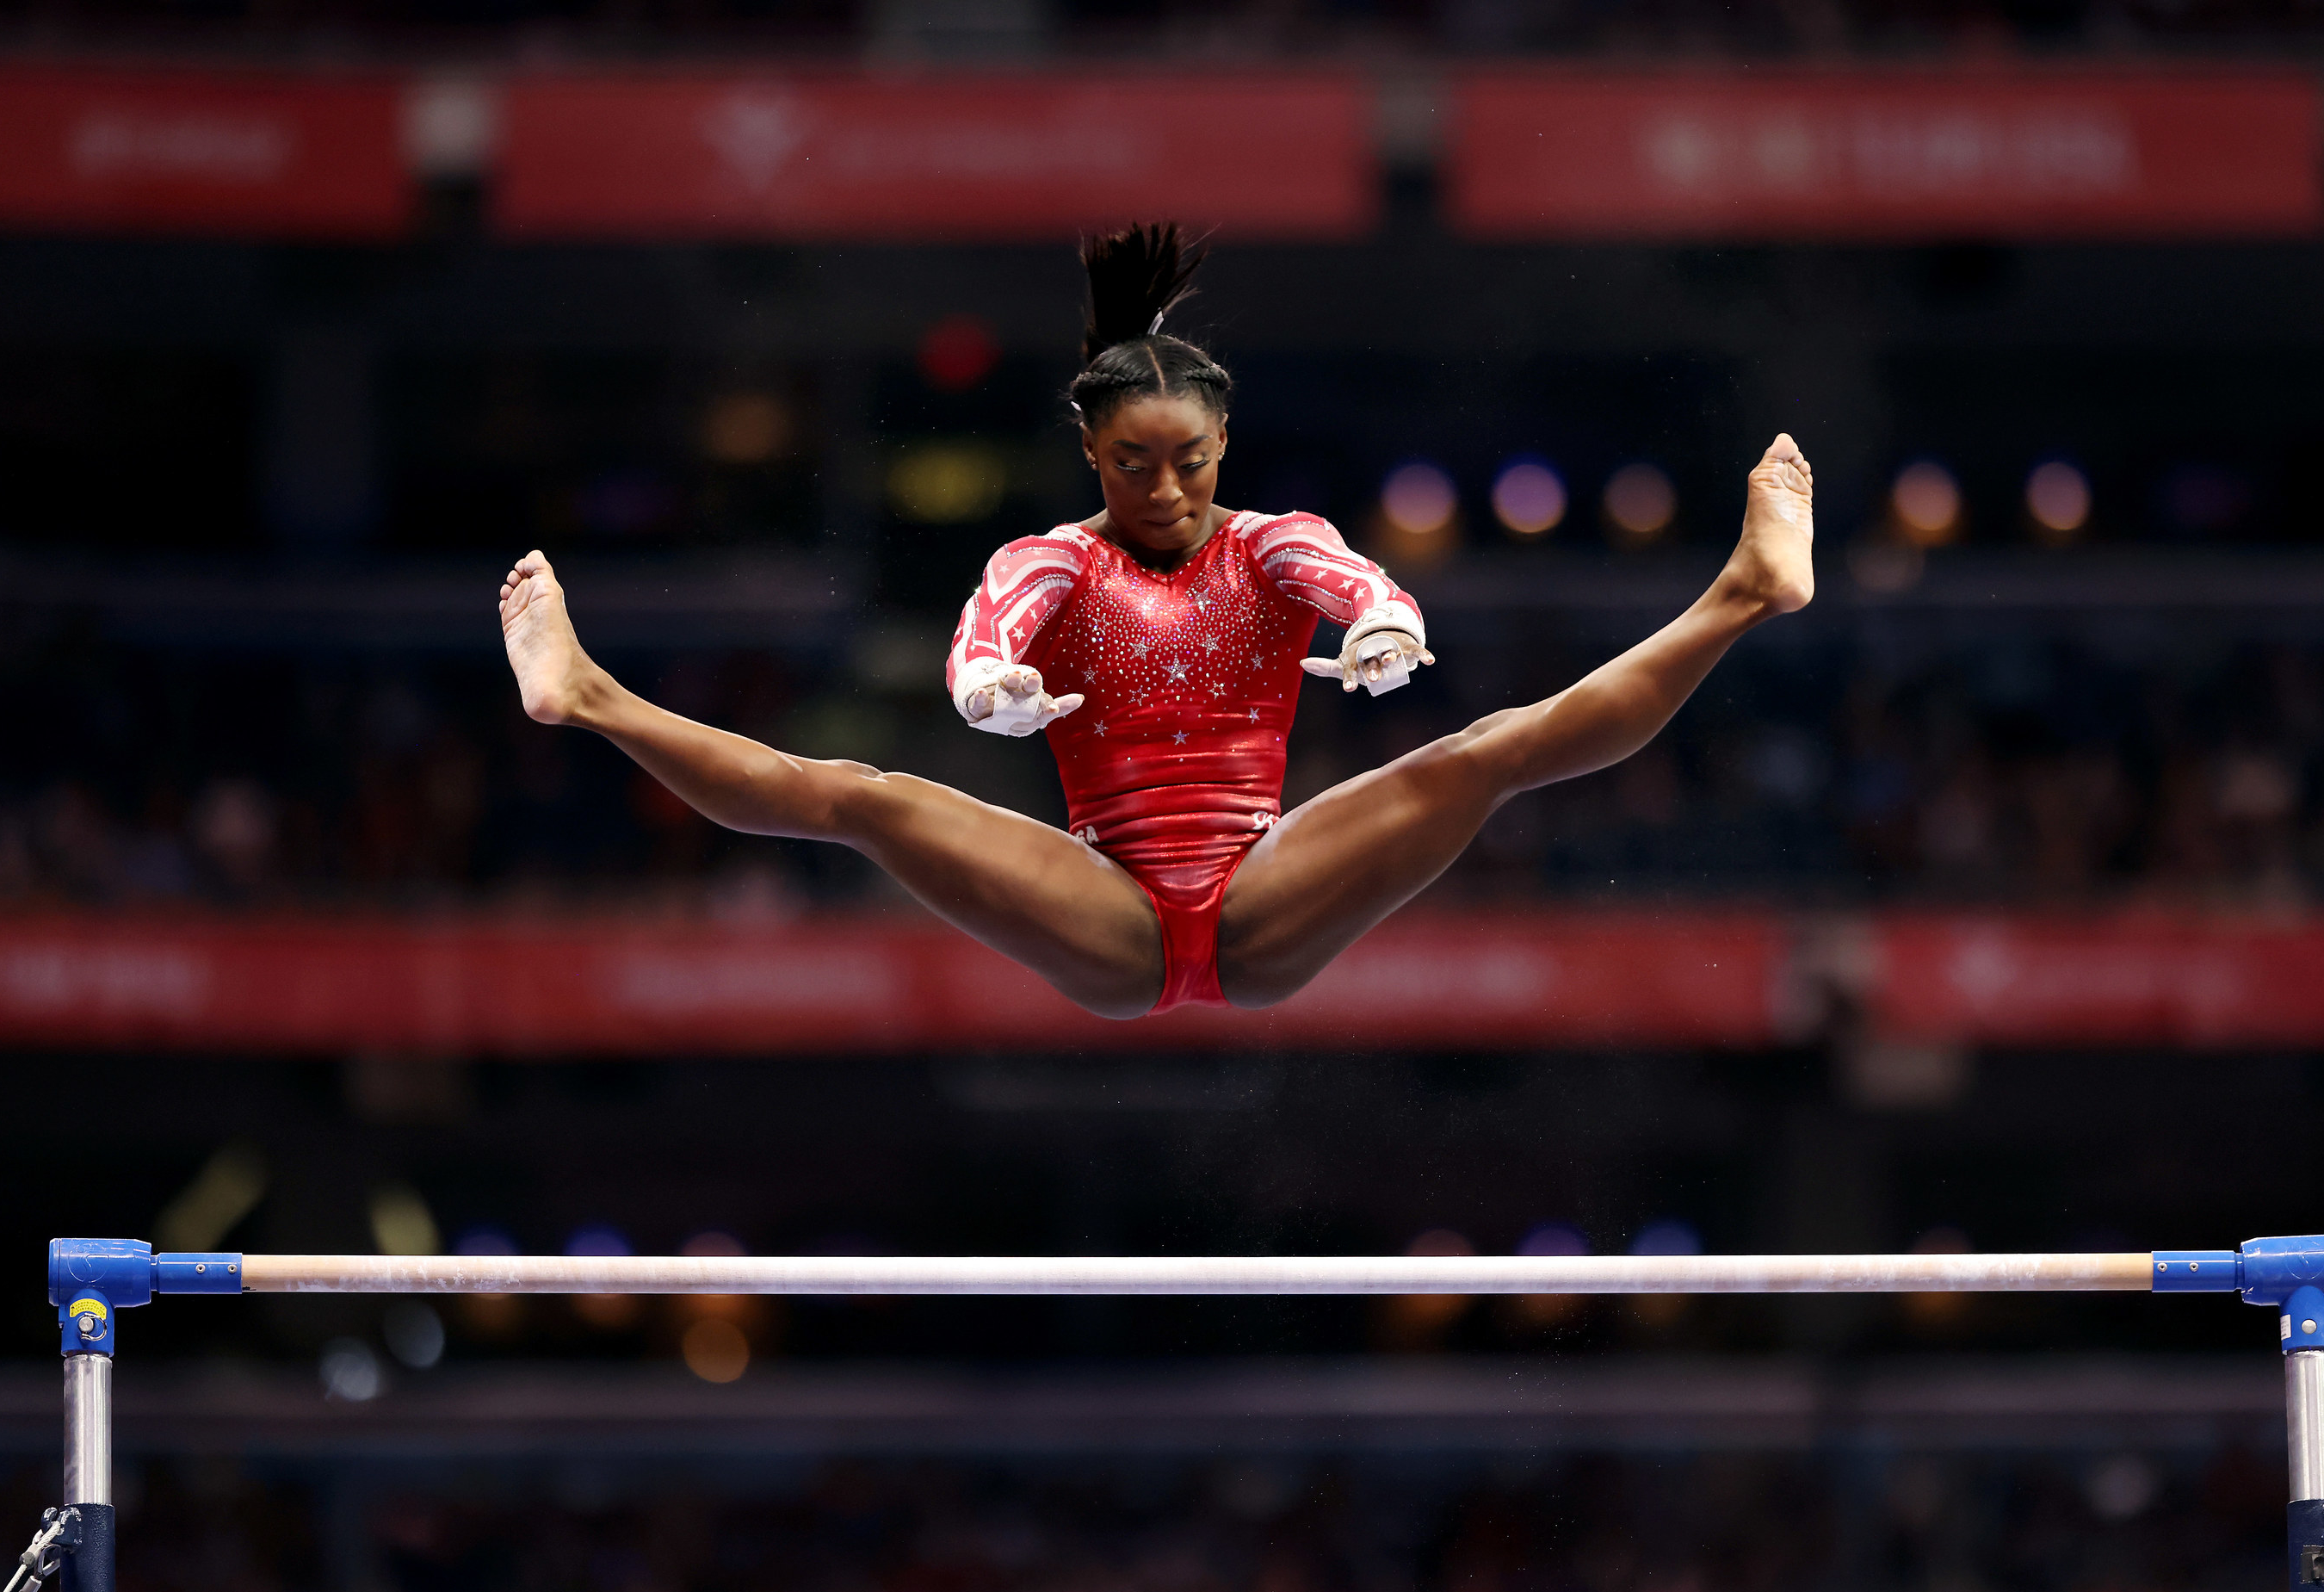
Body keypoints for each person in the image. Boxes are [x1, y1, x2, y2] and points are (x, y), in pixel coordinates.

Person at [499, 224, 1814, 1020]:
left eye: (1189, 460)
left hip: (1261, 890)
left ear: (1226, 441)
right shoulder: (1048, 561)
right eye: (1135, 464)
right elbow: (985, 637)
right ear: (1090, 451)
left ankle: (1741, 596)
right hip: (1111, 912)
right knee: (860, 794)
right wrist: (988, 693)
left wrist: (1379, 632)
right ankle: (589, 695)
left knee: (1485, 753)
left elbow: (1367, 585)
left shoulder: (1275, 541)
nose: (1168, 489)